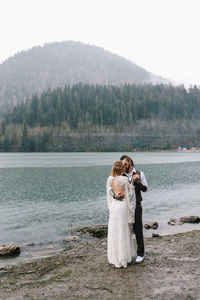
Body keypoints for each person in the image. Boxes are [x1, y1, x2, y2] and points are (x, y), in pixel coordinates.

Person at [106, 160, 136, 268]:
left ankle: (116, 258)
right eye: (124, 166)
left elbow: (111, 193)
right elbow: (131, 195)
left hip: (114, 206)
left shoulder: (111, 180)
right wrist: (132, 183)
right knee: (122, 231)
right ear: (122, 169)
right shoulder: (124, 179)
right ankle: (123, 258)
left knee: (115, 231)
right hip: (122, 206)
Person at [120, 155, 148, 263]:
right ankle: (125, 254)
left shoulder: (140, 173)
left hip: (137, 205)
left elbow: (145, 189)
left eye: (125, 164)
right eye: (122, 164)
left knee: (137, 230)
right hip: (124, 205)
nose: (124, 166)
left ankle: (140, 254)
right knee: (124, 230)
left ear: (130, 163)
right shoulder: (120, 174)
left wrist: (137, 182)